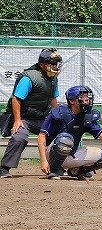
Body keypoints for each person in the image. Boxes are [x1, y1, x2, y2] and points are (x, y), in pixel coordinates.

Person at [1, 48, 62, 179]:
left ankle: (56, 167)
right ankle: (4, 168)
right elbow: (16, 99)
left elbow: (53, 99)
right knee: (20, 137)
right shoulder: (29, 78)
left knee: (60, 136)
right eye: (52, 63)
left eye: (56, 63)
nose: (55, 66)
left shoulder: (53, 79)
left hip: (43, 117)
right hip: (24, 117)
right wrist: (18, 120)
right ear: (42, 64)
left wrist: (56, 118)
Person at [38, 86, 102, 180]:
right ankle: (55, 170)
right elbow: (42, 136)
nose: (87, 99)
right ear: (72, 101)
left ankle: (77, 171)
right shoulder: (59, 112)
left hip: (71, 153)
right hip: (51, 153)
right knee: (65, 139)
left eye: (87, 96)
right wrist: (44, 160)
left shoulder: (87, 116)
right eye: (82, 97)